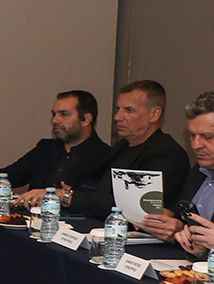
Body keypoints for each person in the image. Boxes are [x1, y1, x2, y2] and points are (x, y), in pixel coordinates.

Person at [64, 80, 189, 221]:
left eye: (129, 110)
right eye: (119, 109)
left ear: (154, 114)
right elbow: (103, 188)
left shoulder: (167, 154)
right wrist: (74, 191)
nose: (117, 117)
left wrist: (70, 197)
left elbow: (132, 206)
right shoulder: (122, 145)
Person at [0, 90, 112, 207]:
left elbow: (99, 202)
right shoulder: (46, 148)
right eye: (54, 114)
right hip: (31, 220)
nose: (55, 120)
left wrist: (66, 195)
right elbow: (13, 175)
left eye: (64, 114)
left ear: (86, 119)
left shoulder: (104, 157)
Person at [145, 91, 214, 245]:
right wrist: (172, 223)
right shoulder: (198, 172)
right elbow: (183, 219)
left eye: (208, 137)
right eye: (192, 135)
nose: (196, 145)